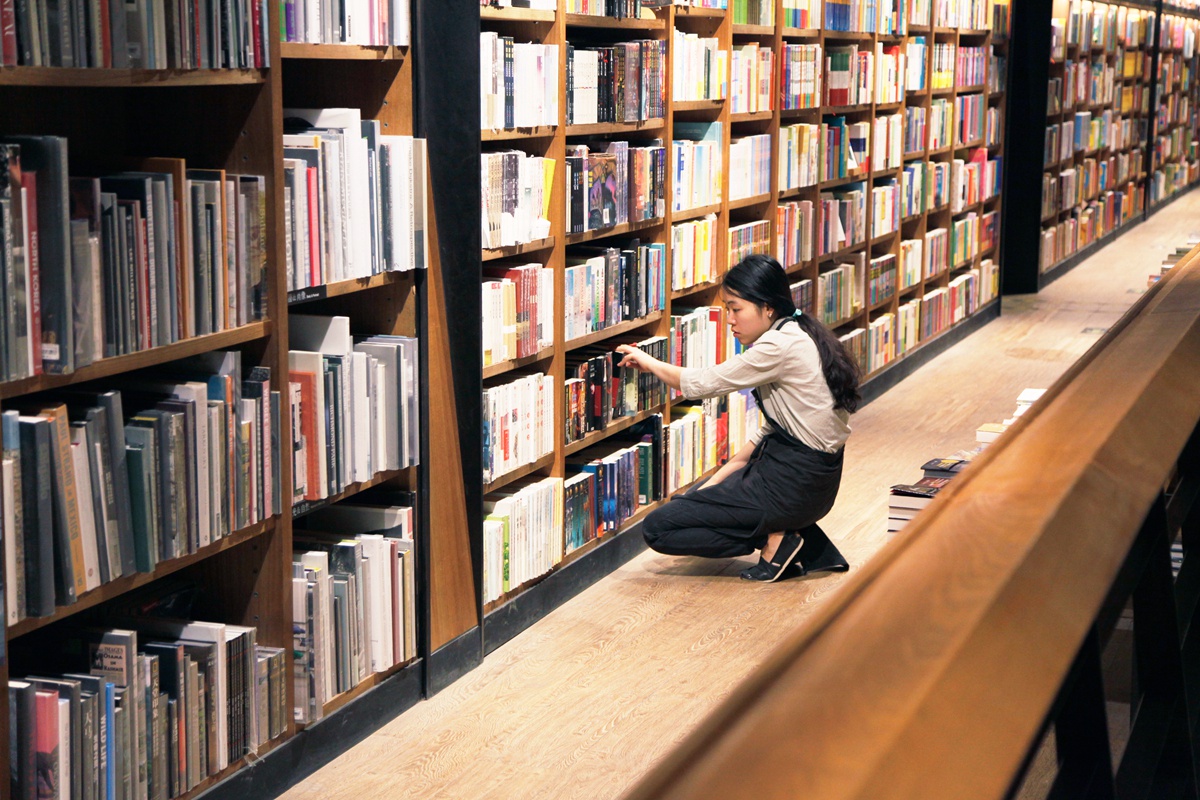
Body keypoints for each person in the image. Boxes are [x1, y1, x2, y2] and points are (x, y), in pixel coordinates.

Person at [615, 254, 860, 582]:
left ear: (767, 307)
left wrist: (649, 362)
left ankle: (776, 540)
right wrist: (718, 479)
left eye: (735, 308)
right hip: (812, 484)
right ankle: (789, 536)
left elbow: (703, 384)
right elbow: (776, 429)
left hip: (791, 485)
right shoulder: (798, 330)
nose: (730, 319)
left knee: (658, 529)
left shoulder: (777, 346)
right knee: (698, 501)